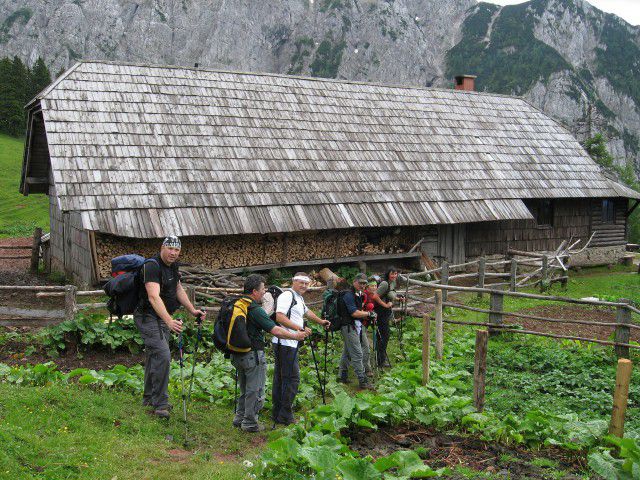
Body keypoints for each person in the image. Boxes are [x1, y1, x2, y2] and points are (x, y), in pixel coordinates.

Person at [134, 236, 206, 419]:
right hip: (147, 316)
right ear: (162, 248)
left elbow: (178, 288)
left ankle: (149, 398)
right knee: (163, 355)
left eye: (177, 250)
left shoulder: (173, 266)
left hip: (161, 317)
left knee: (154, 355)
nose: (173, 253)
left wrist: (192, 310)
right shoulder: (151, 266)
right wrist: (168, 320)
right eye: (170, 249)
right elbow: (153, 297)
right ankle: (160, 404)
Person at [232, 274, 309, 432]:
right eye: (262, 289)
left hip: (236, 352)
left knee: (244, 388)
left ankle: (239, 417)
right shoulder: (255, 309)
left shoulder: (237, 304)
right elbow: (275, 329)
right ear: (254, 291)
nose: (265, 292)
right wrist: (296, 334)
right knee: (255, 389)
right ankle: (250, 423)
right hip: (253, 354)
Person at [271, 272, 331, 425]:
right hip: (284, 342)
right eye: (301, 282)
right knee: (292, 378)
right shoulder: (287, 296)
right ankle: (285, 414)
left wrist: (320, 321)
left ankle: (278, 412)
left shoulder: (299, 298)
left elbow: (306, 311)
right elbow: (279, 317)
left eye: (306, 283)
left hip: (289, 342)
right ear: (293, 281)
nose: (304, 286)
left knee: (282, 377)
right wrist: (300, 328)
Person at [338, 273, 376, 389]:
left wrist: (368, 315)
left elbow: (359, 312)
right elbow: (354, 312)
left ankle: (342, 376)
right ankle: (363, 381)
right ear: (354, 281)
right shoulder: (349, 295)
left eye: (364, 283)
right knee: (358, 353)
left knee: (348, 352)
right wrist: (369, 314)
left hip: (354, 326)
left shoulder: (358, 294)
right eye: (360, 283)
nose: (363, 285)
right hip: (348, 327)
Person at [375, 266, 399, 368]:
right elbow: (375, 296)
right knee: (384, 336)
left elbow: (389, 295)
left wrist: (398, 299)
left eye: (395, 273)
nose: (394, 275)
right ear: (388, 274)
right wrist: (385, 305)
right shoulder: (384, 283)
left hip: (385, 312)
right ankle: (380, 360)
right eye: (392, 273)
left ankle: (380, 358)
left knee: (383, 336)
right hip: (380, 312)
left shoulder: (392, 283)